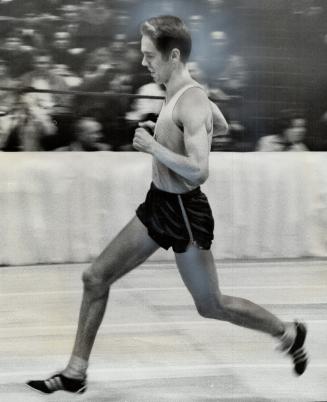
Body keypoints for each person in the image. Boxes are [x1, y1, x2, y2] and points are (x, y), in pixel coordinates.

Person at [27, 15, 308, 395]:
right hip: (159, 204)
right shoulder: (184, 94)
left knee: (211, 305)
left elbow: (198, 172)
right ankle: (76, 371)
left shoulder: (190, 100)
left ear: (173, 55)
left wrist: (153, 146)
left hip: (185, 213)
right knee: (95, 277)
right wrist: (191, 129)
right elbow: (219, 125)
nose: (143, 62)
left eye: (149, 56)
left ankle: (288, 333)